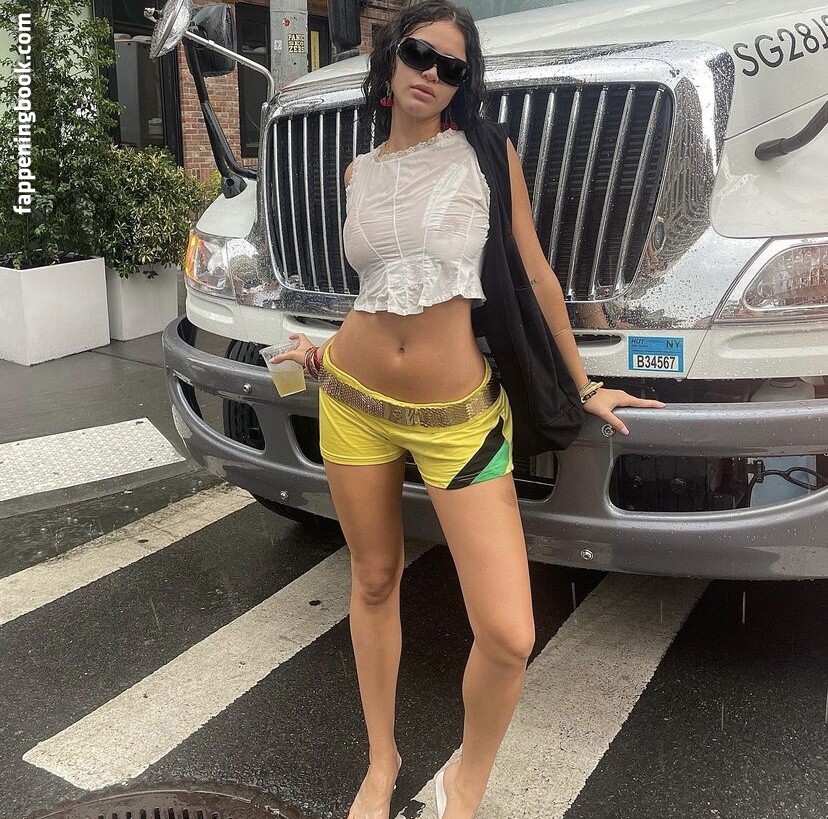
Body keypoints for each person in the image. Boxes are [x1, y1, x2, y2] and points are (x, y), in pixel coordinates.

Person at [268, 2, 666, 816]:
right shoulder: (357, 172)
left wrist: (584, 385)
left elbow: (537, 272)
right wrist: (317, 350)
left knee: (510, 633)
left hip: (459, 417)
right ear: (391, 57)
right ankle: (381, 761)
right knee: (374, 579)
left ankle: (466, 784)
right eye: (420, 54)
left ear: (463, 83)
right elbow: (379, 290)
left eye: (452, 67)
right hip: (352, 398)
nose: (432, 74)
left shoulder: (486, 153)